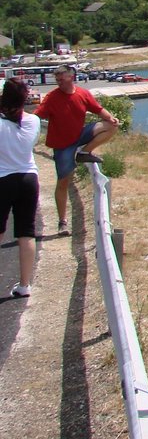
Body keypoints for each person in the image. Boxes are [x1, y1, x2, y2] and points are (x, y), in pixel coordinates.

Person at [34, 64, 120, 236]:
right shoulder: (52, 97)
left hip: (79, 136)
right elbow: (37, 116)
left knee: (110, 126)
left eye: (61, 79)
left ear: (71, 77)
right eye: (57, 79)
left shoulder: (82, 94)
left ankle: (84, 153)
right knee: (63, 182)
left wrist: (111, 117)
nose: (59, 82)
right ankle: (62, 221)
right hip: (62, 145)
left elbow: (98, 109)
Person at [1, 78, 41, 297]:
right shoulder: (33, 121)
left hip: (3, 178)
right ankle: (25, 285)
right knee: (26, 231)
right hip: (28, 177)